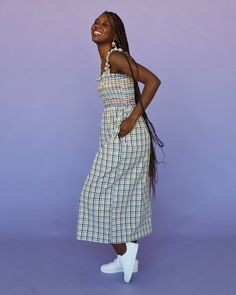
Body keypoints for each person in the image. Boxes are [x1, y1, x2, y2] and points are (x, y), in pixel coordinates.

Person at [76, 11, 165, 283]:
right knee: (127, 194)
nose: (97, 26)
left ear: (115, 34)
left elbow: (153, 81)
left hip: (126, 134)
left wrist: (132, 118)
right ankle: (127, 259)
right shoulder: (106, 62)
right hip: (118, 135)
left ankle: (126, 252)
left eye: (105, 25)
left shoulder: (116, 57)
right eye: (96, 22)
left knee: (96, 193)